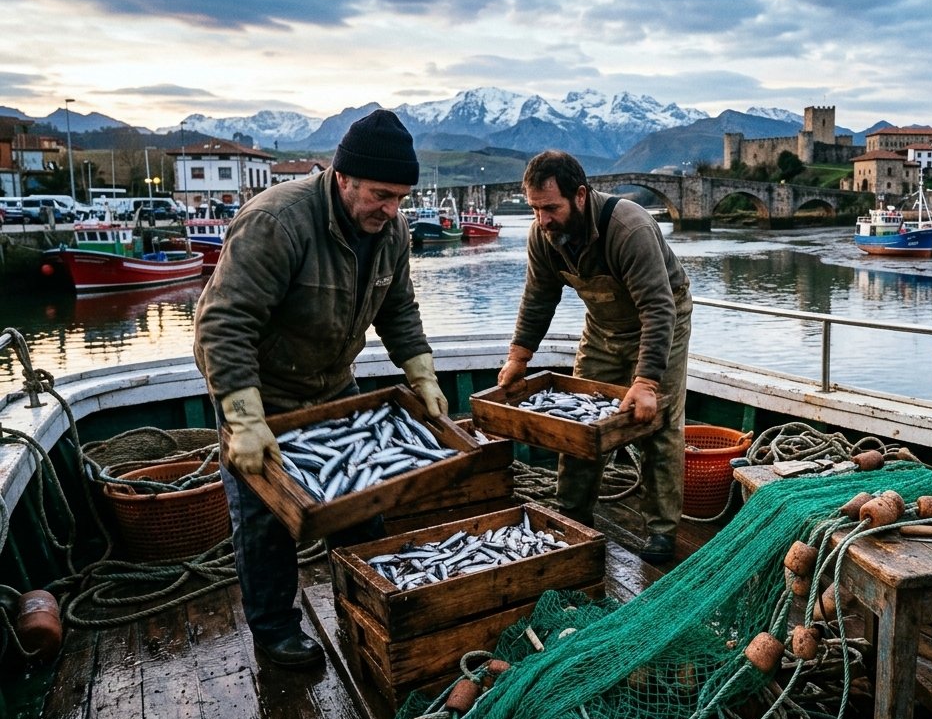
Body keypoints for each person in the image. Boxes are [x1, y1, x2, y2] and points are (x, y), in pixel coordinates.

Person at [193, 109, 448, 669]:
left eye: (401, 197)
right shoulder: (277, 222)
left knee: (362, 502)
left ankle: (362, 603)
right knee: (266, 517)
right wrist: (243, 418)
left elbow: (399, 309)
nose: (392, 208)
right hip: (260, 386)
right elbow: (223, 323)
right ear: (343, 177)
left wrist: (422, 373)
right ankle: (275, 629)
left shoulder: (391, 231)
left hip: (333, 383)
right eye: (382, 194)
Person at [497, 150, 692, 564]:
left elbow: (659, 308)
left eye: (550, 207)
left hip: (661, 322)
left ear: (580, 196)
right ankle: (573, 512)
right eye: (534, 209)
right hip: (604, 327)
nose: (542, 219)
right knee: (579, 422)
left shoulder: (628, 227)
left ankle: (661, 530)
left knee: (658, 422)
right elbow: (538, 298)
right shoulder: (543, 236)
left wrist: (645, 384)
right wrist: (519, 356)